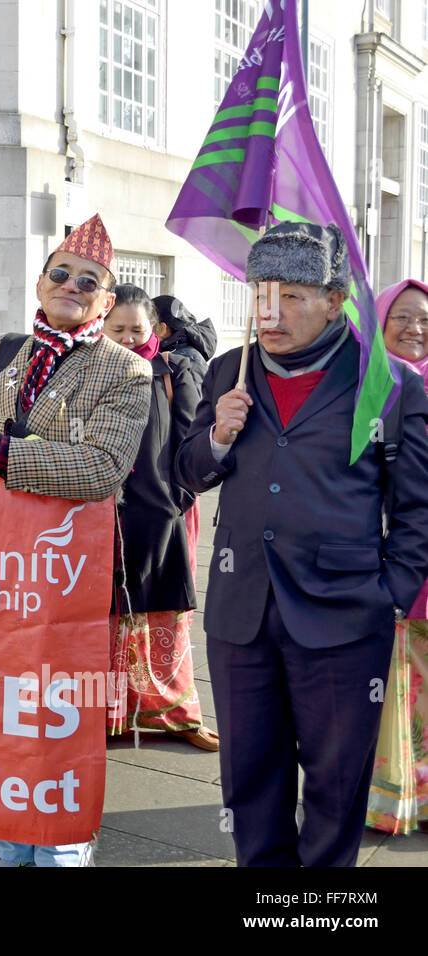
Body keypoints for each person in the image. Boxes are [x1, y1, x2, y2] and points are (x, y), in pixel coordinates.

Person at [175, 222, 428, 866]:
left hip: (345, 614)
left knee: (336, 786)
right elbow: (188, 472)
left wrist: (388, 595)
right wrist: (218, 440)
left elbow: (417, 507)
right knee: (249, 778)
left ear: (336, 298)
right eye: (261, 293)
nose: (270, 312)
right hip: (242, 608)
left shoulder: (390, 383)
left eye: (291, 296)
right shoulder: (229, 368)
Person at [0, 213, 151, 865]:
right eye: (61, 273)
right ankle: (6, 845)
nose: (72, 285)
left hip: (66, 578)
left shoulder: (125, 373)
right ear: (40, 282)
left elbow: (101, 468)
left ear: (106, 300)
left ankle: (62, 850)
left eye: (89, 281)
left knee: (60, 719)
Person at [101, 286, 217, 751]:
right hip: (99, 516)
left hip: (158, 514)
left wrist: (176, 500)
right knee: (106, 616)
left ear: (157, 331)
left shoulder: (173, 371)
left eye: (137, 329)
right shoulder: (89, 371)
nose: (127, 339)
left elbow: (191, 444)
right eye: (117, 329)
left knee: (163, 617)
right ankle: (107, 714)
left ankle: (176, 714)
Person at [367, 278, 428, 834]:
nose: (414, 329)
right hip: (393, 557)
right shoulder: (370, 383)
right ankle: (393, 797)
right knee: (393, 681)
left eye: (425, 320)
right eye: (402, 317)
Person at [152, 295, 218, 386]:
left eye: (149, 324)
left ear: (162, 328)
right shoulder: (172, 353)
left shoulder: (187, 360)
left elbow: (198, 399)